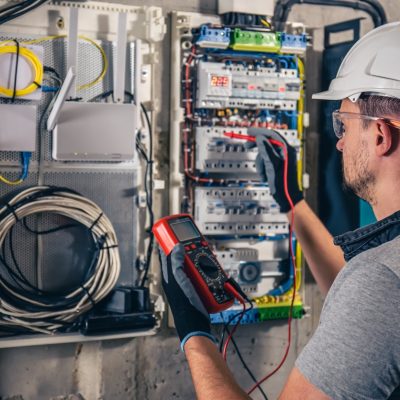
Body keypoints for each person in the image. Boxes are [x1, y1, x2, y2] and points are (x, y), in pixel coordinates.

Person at [160, 22, 400, 399]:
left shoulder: (382, 282)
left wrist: (194, 333)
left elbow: (375, 297)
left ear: (382, 136)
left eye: (344, 125)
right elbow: (371, 310)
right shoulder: (385, 276)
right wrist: (292, 203)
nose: (340, 144)